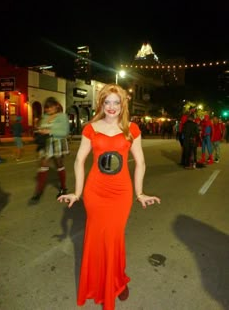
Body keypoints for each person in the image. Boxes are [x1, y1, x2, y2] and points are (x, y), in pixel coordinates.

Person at [57, 84, 161, 310]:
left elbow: (141, 162)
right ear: (101, 104)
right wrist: (77, 191)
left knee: (113, 239)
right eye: (107, 102)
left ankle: (117, 282)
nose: (112, 107)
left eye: (116, 102)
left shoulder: (131, 129)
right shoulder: (91, 128)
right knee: (96, 239)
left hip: (121, 193)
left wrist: (139, 193)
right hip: (95, 192)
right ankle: (99, 283)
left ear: (123, 104)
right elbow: (79, 161)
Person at [29, 97, 70, 204]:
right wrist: (39, 130)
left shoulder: (62, 116)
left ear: (56, 105)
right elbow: (41, 128)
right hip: (45, 144)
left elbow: (65, 132)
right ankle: (38, 192)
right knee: (43, 166)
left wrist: (49, 131)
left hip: (57, 143)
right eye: (46, 108)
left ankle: (63, 188)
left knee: (59, 165)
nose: (48, 109)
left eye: (50, 107)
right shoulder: (44, 116)